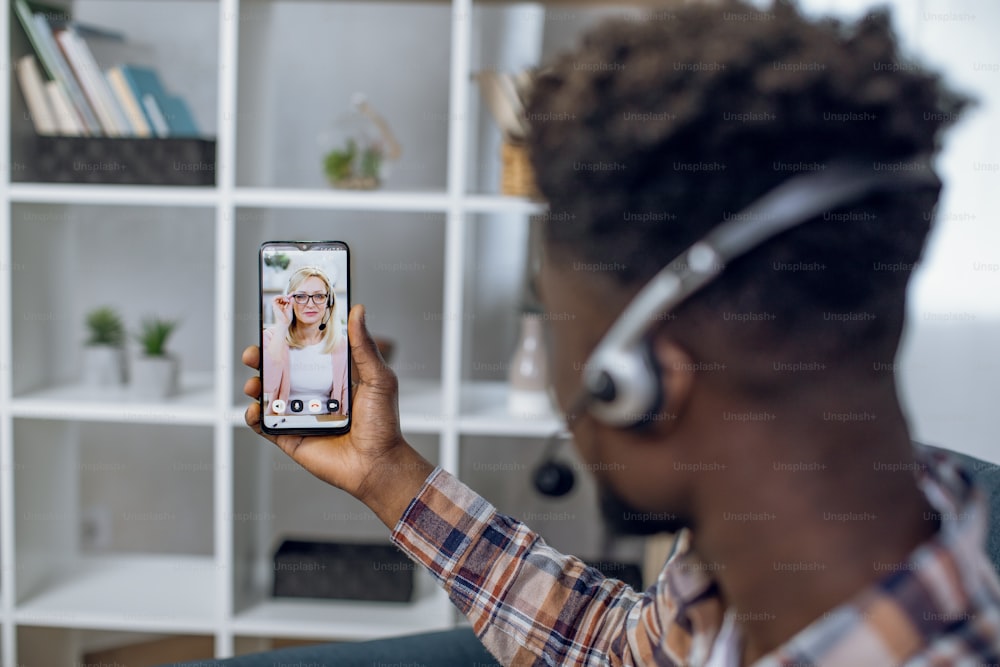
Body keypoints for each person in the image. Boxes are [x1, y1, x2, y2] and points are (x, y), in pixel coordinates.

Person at [225, 1, 1000, 665]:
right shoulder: (755, 558)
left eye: (560, 324)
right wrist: (385, 472)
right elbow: (612, 650)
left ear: (639, 380)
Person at [263, 266, 348, 417]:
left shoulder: (340, 344)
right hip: (284, 426)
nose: (310, 304)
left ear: (329, 301)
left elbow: (345, 399)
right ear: (289, 300)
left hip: (327, 427)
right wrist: (282, 324)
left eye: (319, 296)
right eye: (301, 296)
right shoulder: (272, 337)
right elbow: (267, 385)